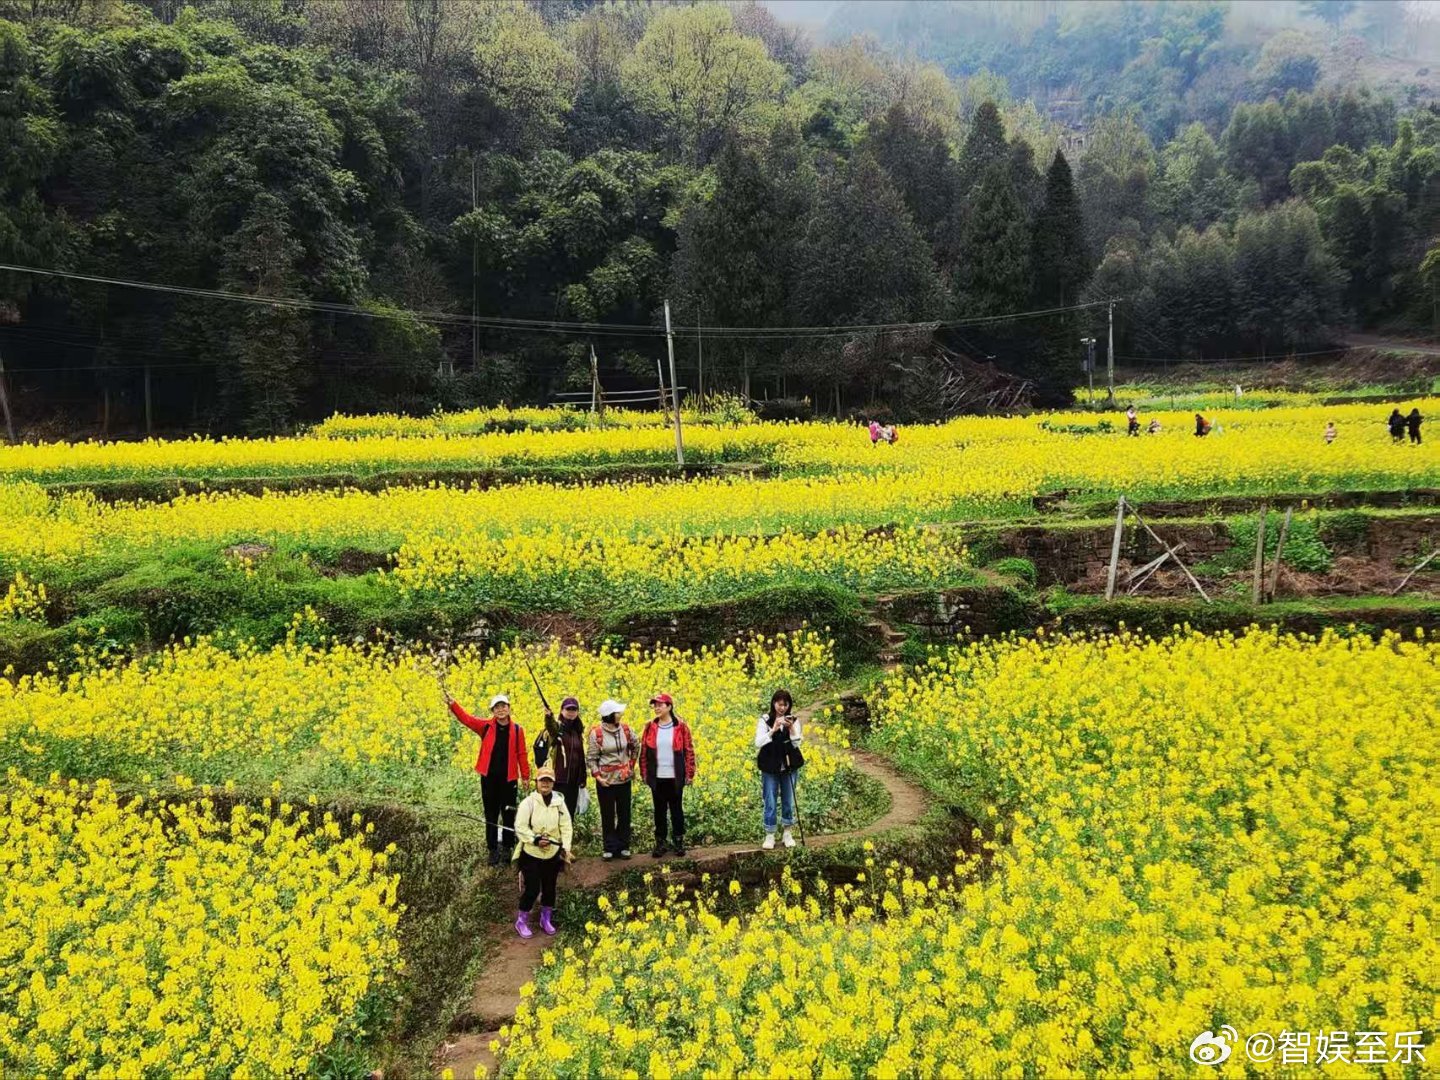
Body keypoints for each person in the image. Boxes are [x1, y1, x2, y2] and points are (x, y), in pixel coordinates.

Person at [445, 690, 531, 867]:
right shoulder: (485, 726)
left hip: (509, 779)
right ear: (492, 711)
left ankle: (507, 847)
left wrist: (526, 776)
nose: (500, 710)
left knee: (508, 814)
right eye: (496, 707)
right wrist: (453, 705)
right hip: (489, 779)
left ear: (509, 708)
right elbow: (467, 719)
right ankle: (492, 849)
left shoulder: (517, 729)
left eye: (503, 706)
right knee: (490, 813)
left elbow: (522, 753)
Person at [511, 764, 573, 939]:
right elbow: (520, 827)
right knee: (532, 888)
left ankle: (546, 919)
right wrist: (535, 839)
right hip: (531, 853)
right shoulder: (528, 803)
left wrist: (566, 847)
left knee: (550, 887)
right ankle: (521, 920)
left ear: (553, 783)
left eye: (549, 781)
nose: (545, 784)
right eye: (542, 780)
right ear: (536, 782)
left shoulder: (559, 803)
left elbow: (566, 826)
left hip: (552, 853)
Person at [639, 693, 696, 857]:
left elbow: (689, 751)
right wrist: (644, 773)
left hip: (675, 775)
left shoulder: (680, 726)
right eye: (655, 705)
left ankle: (678, 841)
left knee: (677, 810)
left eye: (660, 705)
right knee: (659, 811)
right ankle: (660, 843)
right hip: (656, 776)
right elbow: (644, 752)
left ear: (669, 707)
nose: (656, 708)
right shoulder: (650, 726)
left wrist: (690, 773)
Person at [586, 699, 637, 860]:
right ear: (609, 716)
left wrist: (631, 765)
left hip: (624, 779)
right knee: (607, 814)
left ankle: (623, 846)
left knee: (624, 813)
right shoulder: (597, 734)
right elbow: (591, 758)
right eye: (617, 713)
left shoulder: (626, 729)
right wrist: (598, 777)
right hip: (605, 781)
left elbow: (636, 745)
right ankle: (609, 847)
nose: (620, 714)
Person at [755, 688, 804, 849]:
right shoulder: (765, 720)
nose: (782, 708)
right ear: (774, 703)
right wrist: (774, 729)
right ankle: (770, 834)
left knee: (788, 800)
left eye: (785, 704)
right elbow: (758, 742)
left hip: (789, 766)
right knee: (769, 800)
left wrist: (791, 728)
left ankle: (787, 833)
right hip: (770, 767)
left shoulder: (794, 720)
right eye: (779, 704)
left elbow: (797, 743)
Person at [533, 696, 587, 820]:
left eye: (574, 709)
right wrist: (548, 716)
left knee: (569, 813)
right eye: (568, 709)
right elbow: (551, 727)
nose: (571, 712)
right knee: (556, 812)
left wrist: (582, 777)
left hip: (574, 780)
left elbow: (580, 755)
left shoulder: (577, 731)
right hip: (559, 779)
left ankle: (566, 838)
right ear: (562, 711)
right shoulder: (557, 729)